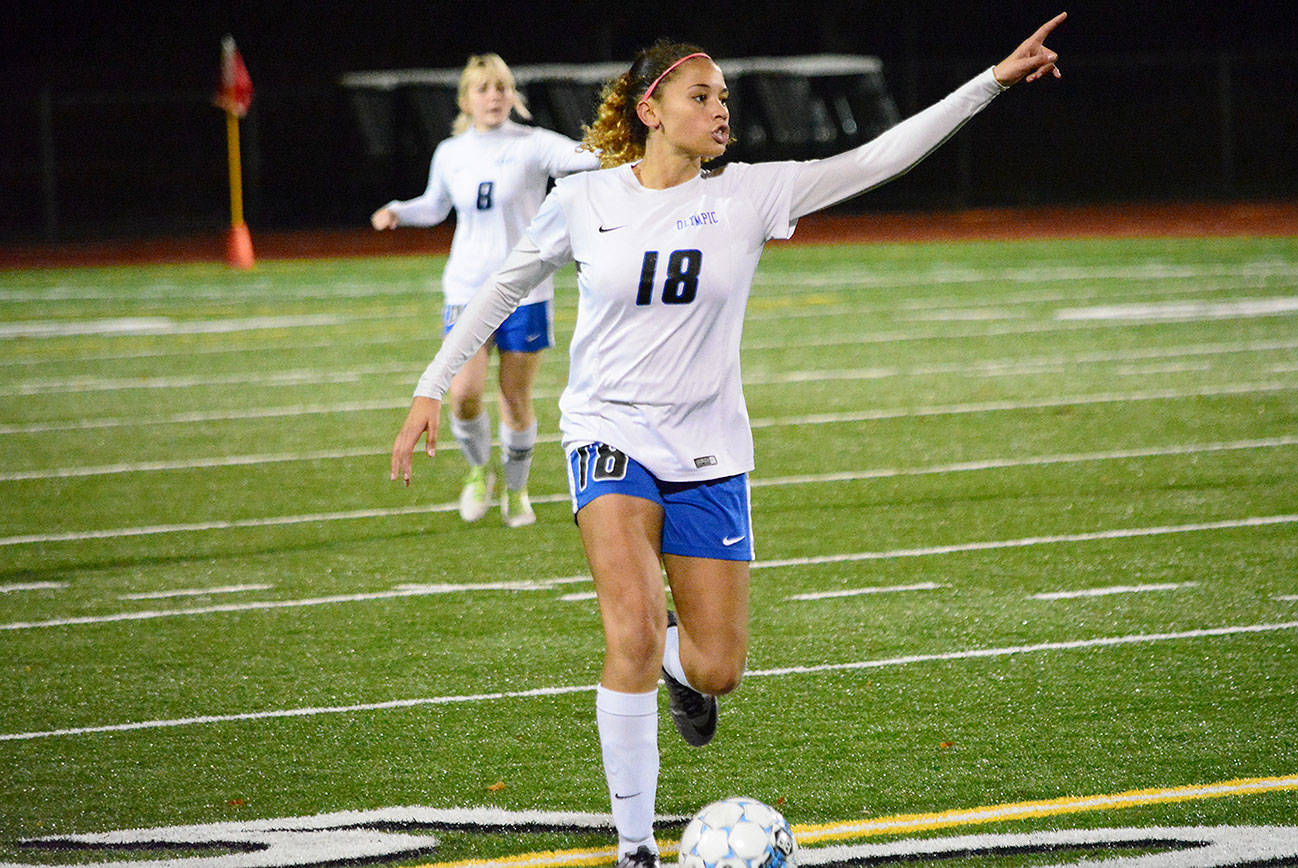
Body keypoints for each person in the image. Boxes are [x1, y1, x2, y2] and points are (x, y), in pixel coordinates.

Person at [391, 15, 1065, 867]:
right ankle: (635, 846)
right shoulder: (587, 199)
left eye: (724, 99)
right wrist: (428, 389)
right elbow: (499, 288)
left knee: (716, 668)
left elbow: (879, 157)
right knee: (630, 631)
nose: (721, 112)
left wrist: (991, 83)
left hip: (709, 448)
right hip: (608, 430)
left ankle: (681, 667)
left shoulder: (749, 193)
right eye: (701, 96)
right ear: (651, 108)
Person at [372, 53, 600, 527]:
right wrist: (397, 209)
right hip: (466, 289)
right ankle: (480, 472)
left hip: (526, 292)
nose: (494, 96)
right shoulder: (450, 152)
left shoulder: (535, 144)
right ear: (465, 100)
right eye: (483, 88)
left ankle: (517, 491)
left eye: (502, 87)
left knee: (515, 398)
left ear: (513, 94)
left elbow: (590, 158)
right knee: (464, 395)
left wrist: (636, 139)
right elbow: (435, 207)